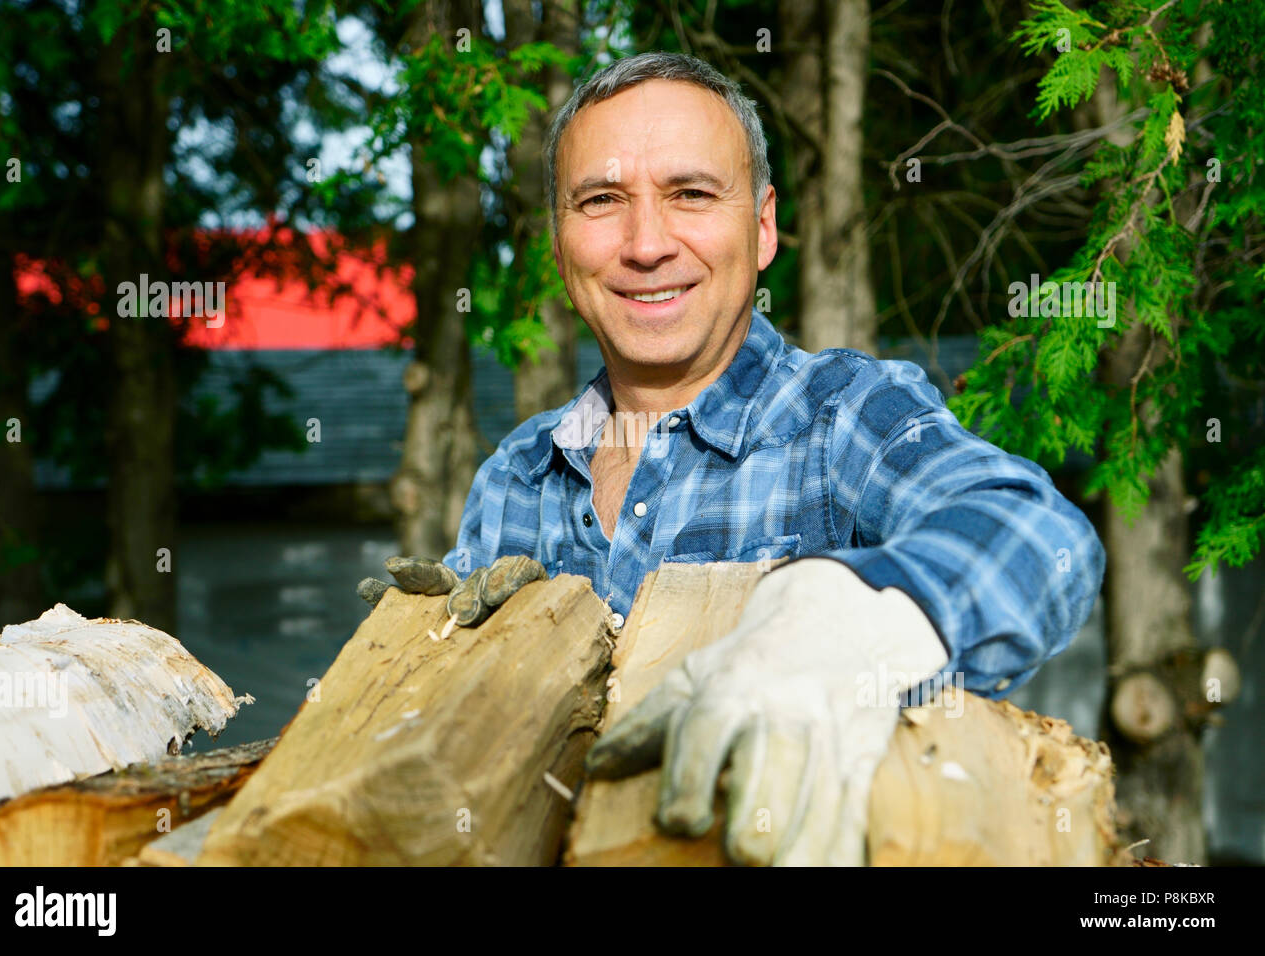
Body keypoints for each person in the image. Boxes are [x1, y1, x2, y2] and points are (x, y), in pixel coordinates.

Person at [360, 51, 1104, 866]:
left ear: (762, 225)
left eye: (691, 194)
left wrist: (856, 626)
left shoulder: (843, 416)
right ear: (559, 238)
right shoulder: (515, 475)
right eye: (602, 201)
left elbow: (1041, 536)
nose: (645, 245)